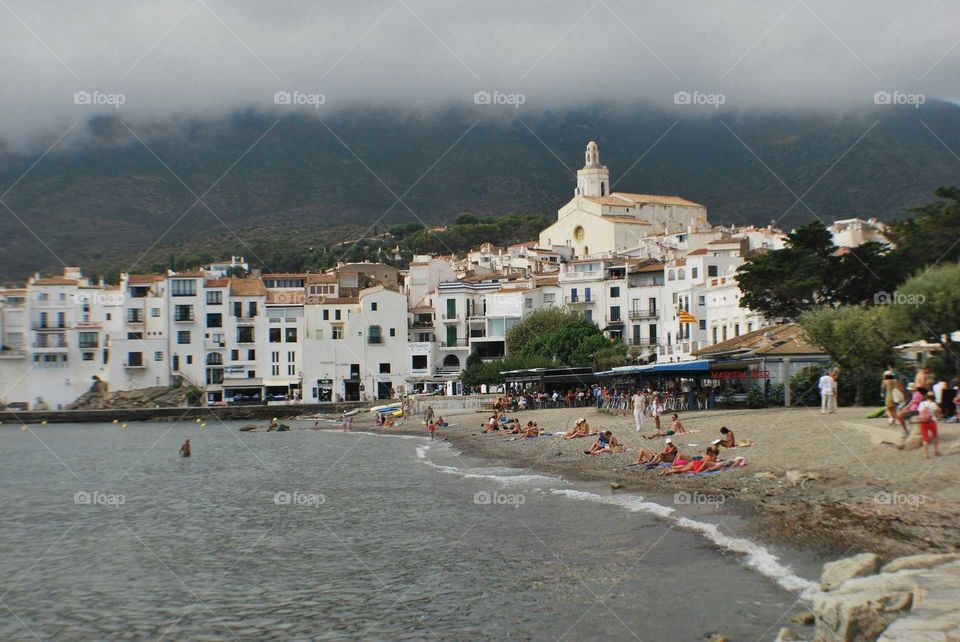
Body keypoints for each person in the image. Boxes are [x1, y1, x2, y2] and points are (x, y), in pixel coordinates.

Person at [917, 392, 941, 459]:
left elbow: (919, 413)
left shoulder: (922, 403)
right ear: (933, 397)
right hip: (932, 422)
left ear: (926, 396)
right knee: (935, 436)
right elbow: (937, 414)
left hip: (922, 423)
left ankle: (926, 454)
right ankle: (936, 450)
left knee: (925, 438)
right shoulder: (934, 404)